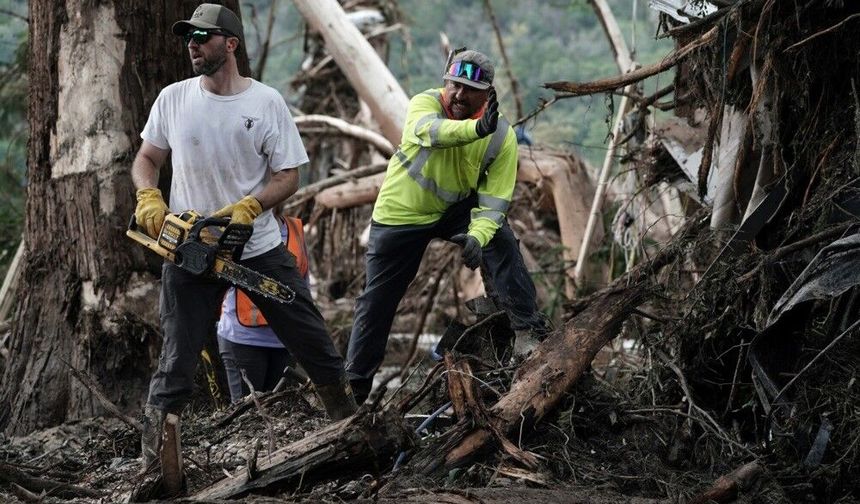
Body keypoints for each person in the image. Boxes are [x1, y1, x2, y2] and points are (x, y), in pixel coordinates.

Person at [131, 3, 356, 471]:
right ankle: (155, 464)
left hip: (256, 248)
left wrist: (252, 206)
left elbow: (288, 175)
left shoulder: (265, 103)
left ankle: (352, 430)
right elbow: (147, 158)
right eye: (189, 37)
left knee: (313, 342)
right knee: (176, 361)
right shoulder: (173, 99)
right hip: (191, 249)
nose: (192, 45)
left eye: (203, 37)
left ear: (230, 44)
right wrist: (148, 195)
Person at [346, 48, 550, 405]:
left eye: (469, 89)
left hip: (455, 209)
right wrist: (475, 128)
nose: (458, 94)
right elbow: (433, 133)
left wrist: (477, 237)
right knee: (377, 301)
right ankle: (353, 389)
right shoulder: (425, 104)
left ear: (488, 94)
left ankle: (526, 329)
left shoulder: (501, 136)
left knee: (502, 241)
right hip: (401, 212)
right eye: (454, 85)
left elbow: (495, 203)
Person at [217, 213, 310, 403]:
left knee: (279, 410)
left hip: (285, 340)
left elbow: (303, 282)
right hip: (243, 338)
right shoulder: (237, 226)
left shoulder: (294, 228)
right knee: (246, 411)